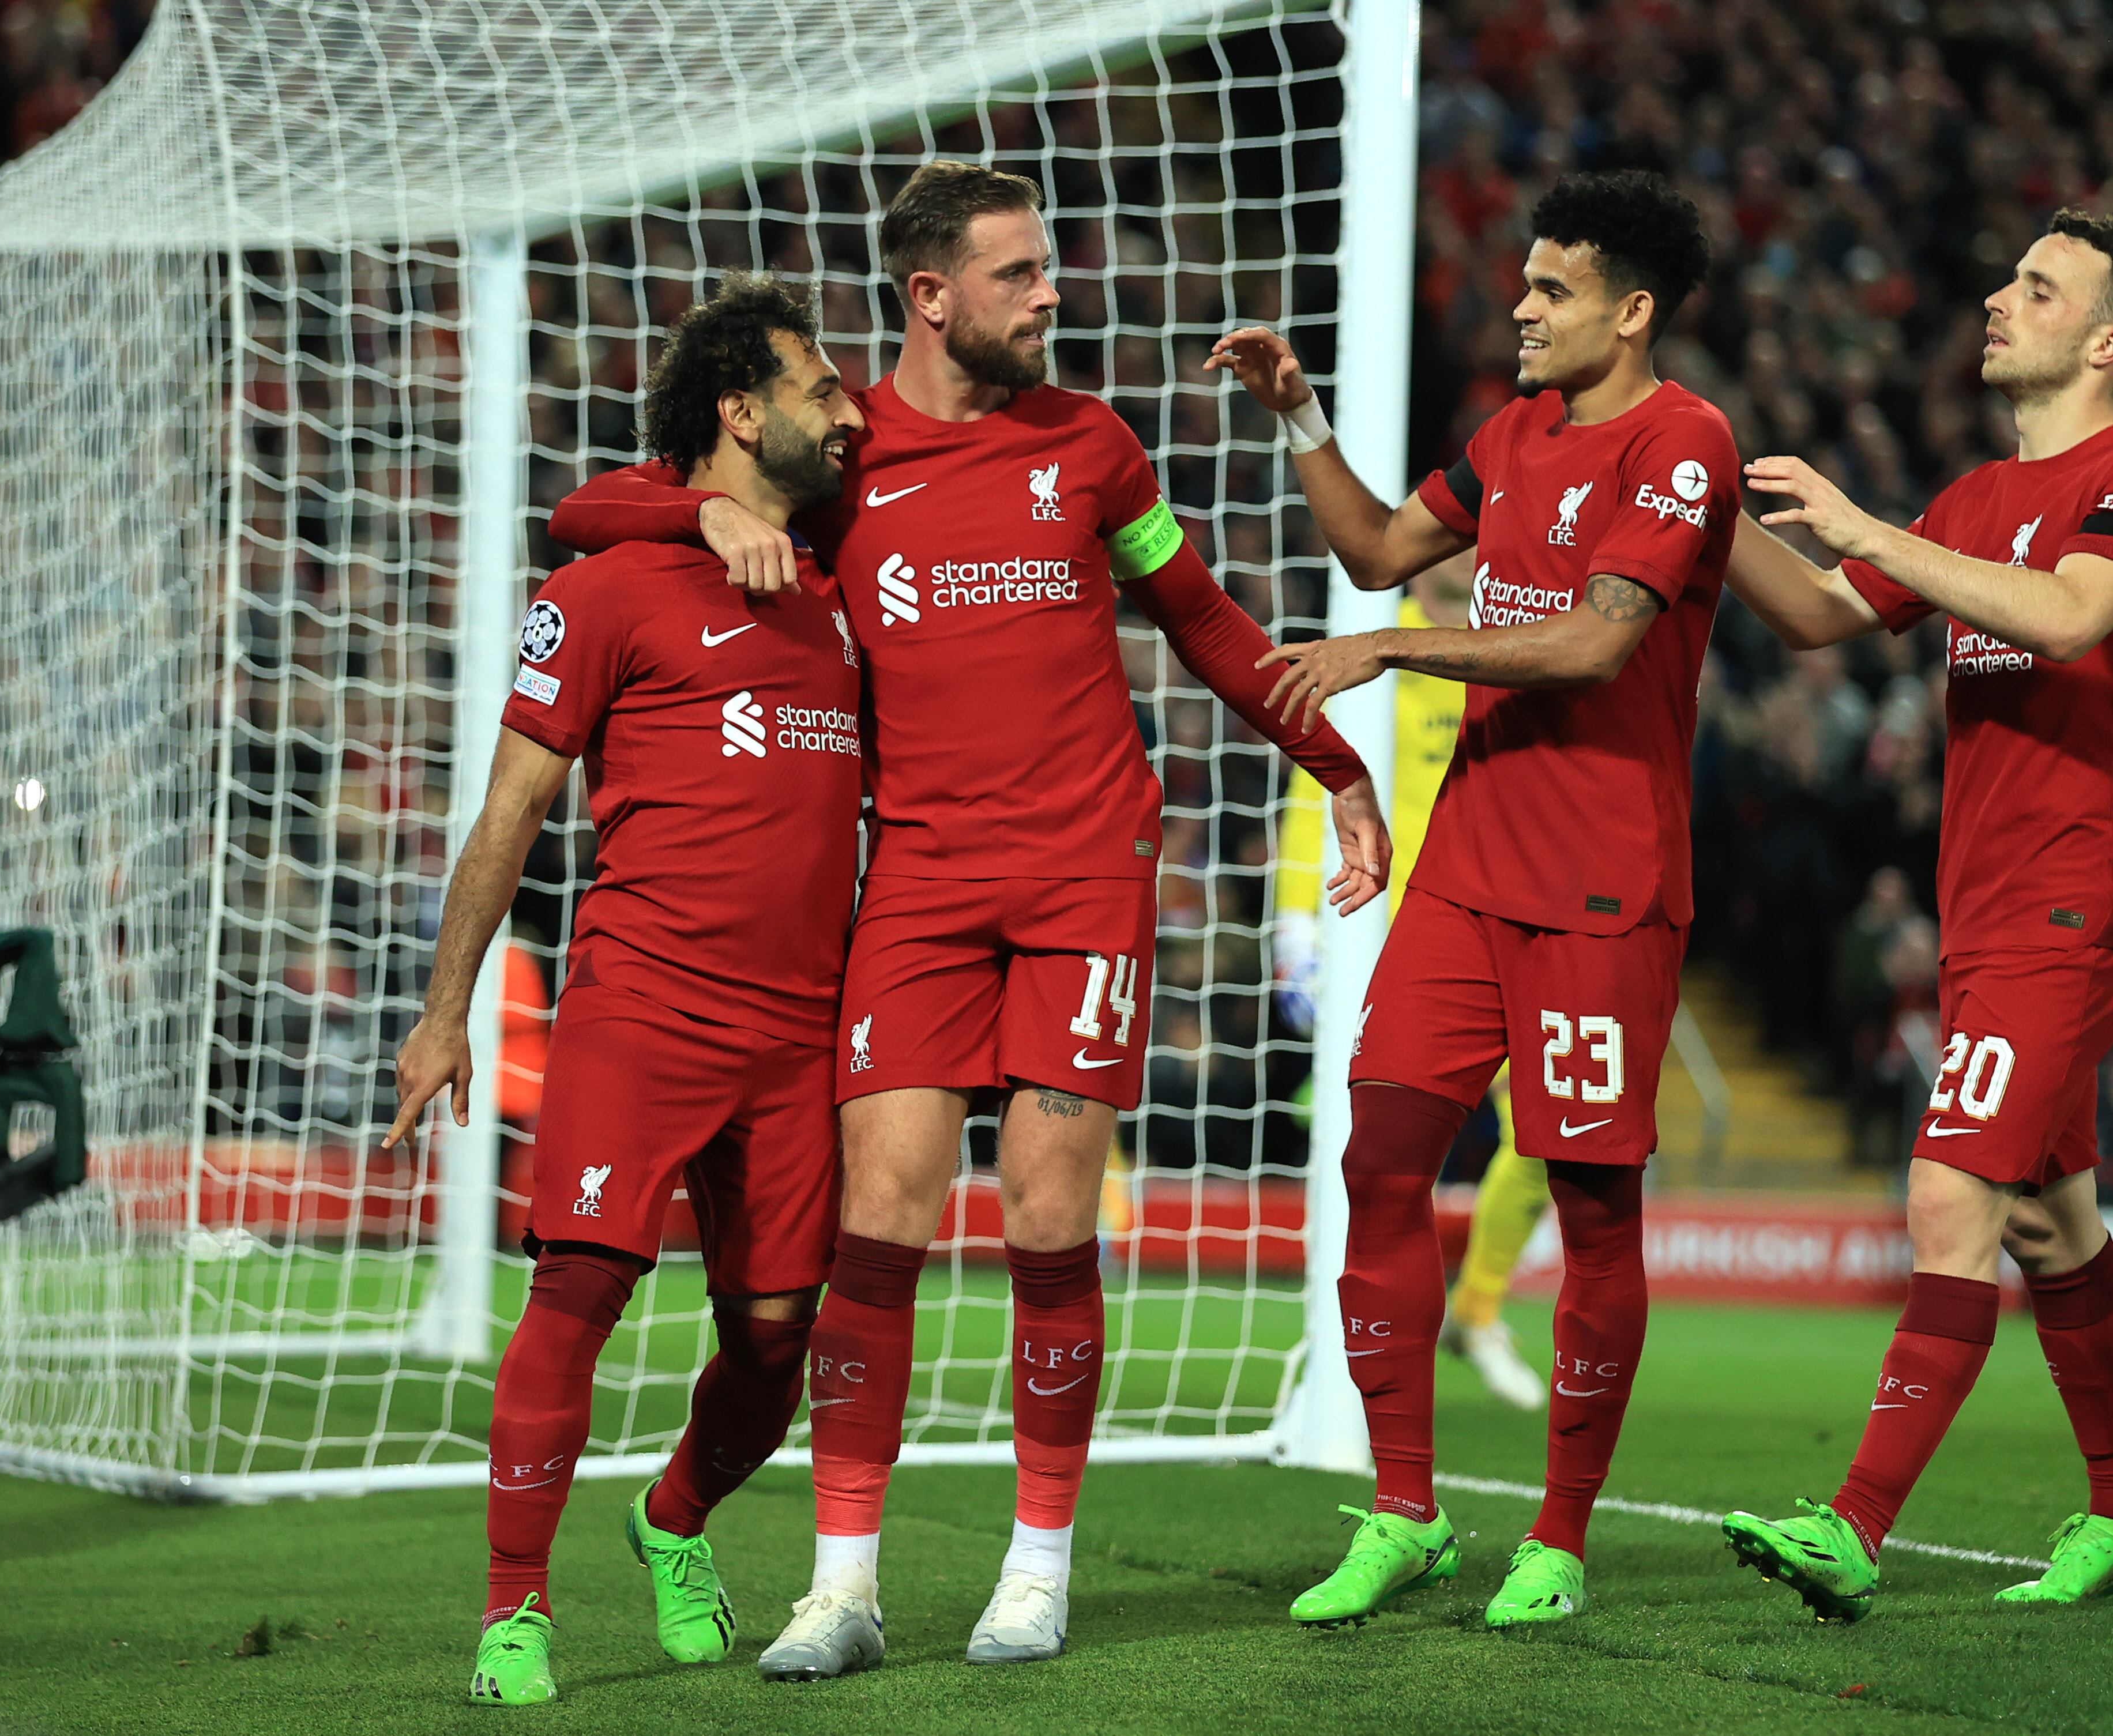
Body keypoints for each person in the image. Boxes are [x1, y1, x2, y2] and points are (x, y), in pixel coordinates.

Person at [544, 161, 1389, 1676]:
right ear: (928, 296)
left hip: (1082, 885)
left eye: (1045, 268)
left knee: (1049, 1222)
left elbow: (1199, 618)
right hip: (917, 888)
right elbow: (584, 504)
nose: (1048, 293)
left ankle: (1036, 1568)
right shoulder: (847, 458)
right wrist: (694, 516)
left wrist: (1336, 768)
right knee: (876, 1226)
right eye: (1016, 275)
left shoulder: (1095, 452)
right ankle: (844, 1585)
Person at [1212, 167, 1733, 1629]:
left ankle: (1558, 1537)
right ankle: (1404, 1511)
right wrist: (1301, 420)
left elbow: (1591, 647)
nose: (1521, 304)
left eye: (1553, 289)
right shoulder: (1511, 435)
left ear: (1629, 312)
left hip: (1600, 889)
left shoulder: (1684, 441)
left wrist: (1393, 655)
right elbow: (1379, 551)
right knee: (1379, 1161)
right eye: (1526, 281)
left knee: (1590, 1196)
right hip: (1467, 872)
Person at [384, 273, 867, 1706]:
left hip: (800, 1034)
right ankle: (512, 1613)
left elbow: (613, 492)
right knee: (578, 1293)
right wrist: (442, 1006)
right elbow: (510, 810)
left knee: (777, 1350)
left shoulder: (841, 583)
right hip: (642, 1008)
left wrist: (705, 508)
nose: (846, 409)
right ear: (741, 411)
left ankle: (669, 1521)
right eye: (819, 384)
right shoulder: (597, 595)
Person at [1715, 209, 2113, 1617]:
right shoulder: (1976, 494)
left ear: (2105, 343)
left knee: (1948, 1190)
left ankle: (1855, 1526)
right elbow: (1817, 616)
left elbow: (2066, 616)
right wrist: (1691, 515)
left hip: (2075, 896)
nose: (1996, 299)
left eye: (2035, 288)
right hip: (1988, 907)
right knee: (2049, 1227)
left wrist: (1870, 525)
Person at [1272, 550, 1552, 1413]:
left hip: (1501, 932)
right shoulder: (1376, 660)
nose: (1472, 557)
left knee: (1547, 1136)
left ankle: (1475, 1311)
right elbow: (1315, 790)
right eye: (1457, 543)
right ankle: (1341, 1342)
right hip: (1381, 946)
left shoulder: (1510, 657)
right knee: (1374, 1158)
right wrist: (1295, 929)